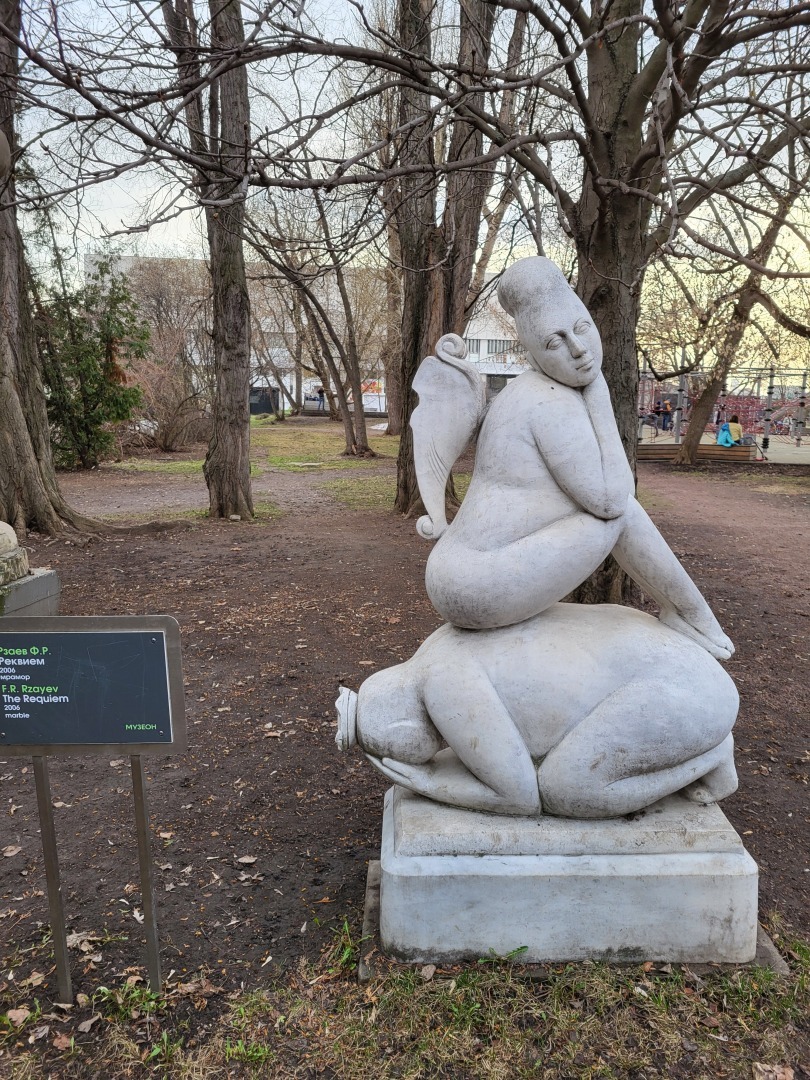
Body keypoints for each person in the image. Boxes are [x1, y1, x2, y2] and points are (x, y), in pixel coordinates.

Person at [416, 257, 733, 660]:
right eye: (555, 342)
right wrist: (599, 395)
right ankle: (691, 614)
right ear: (532, 353)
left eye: (582, 328)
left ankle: (689, 613)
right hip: (475, 583)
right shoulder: (548, 401)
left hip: (458, 571)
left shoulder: (524, 391)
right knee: (619, 513)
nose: (579, 350)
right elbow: (611, 501)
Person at [338, 603, 739, 819]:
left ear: (405, 729)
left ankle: (713, 755)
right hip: (676, 670)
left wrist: (430, 783)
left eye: (401, 750)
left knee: (566, 791)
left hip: (681, 693)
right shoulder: (438, 645)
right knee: (566, 776)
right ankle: (708, 748)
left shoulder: (445, 686)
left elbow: (520, 796)